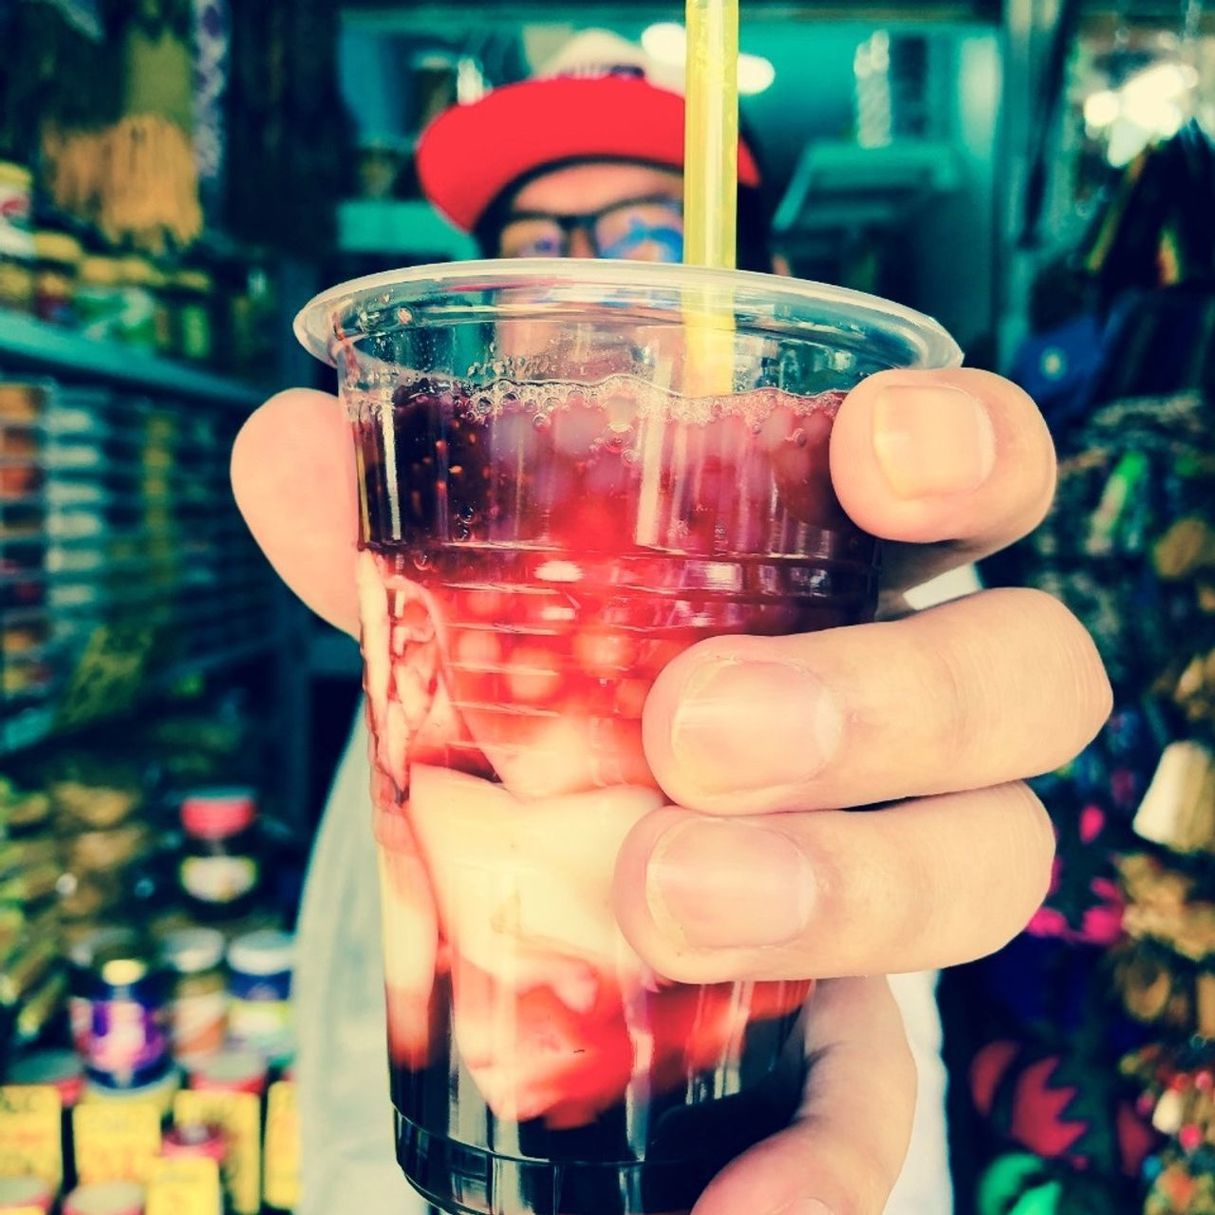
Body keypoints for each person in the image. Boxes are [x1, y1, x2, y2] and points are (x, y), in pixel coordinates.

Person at [231, 31, 1112, 1215]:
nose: (584, 284)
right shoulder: (416, 603)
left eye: (649, 236)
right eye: (535, 250)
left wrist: (909, 737)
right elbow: (370, 967)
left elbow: (927, 767)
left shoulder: (849, 551)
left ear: (762, 283)